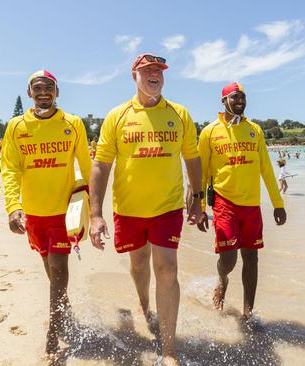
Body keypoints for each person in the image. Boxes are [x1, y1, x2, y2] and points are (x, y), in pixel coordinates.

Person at [89, 53, 203, 366]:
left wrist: (198, 199)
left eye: (158, 71)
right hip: (128, 208)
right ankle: (143, 303)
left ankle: (169, 350)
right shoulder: (118, 115)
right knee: (139, 264)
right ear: (134, 76)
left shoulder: (179, 114)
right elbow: (101, 164)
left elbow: (192, 158)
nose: (154, 75)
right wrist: (95, 214)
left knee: (167, 268)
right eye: (147, 70)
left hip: (167, 208)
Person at [0, 70, 91, 360]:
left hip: (65, 210)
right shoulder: (16, 126)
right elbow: (11, 168)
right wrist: (13, 206)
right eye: (37, 88)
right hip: (34, 213)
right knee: (48, 264)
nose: (43, 93)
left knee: (59, 267)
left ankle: (54, 329)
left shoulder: (73, 124)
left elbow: (86, 167)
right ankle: (62, 306)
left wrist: (93, 205)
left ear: (57, 93)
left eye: (49, 88)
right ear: (29, 93)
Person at [198, 81, 287, 321]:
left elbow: (267, 170)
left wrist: (278, 204)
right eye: (235, 97)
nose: (240, 101)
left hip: (251, 205)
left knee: (252, 256)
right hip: (224, 202)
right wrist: (198, 206)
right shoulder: (209, 132)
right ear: (223, 100)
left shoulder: (254, 130)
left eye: (243, 97)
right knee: (228, 258)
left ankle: (248, 312)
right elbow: (202, 172)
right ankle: (223, 280)